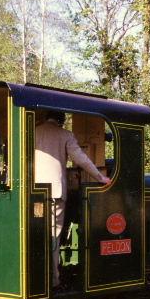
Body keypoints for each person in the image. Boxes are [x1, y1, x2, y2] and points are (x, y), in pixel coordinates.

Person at [35, 110, 111, 288]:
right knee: (53, 234)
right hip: (55, 193)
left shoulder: (34, 131)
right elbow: (81, 159)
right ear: (62, 121)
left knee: (36, 234)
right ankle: (52, 280)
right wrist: (100, 177)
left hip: (34, 194)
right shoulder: (65, 134)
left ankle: (36, 278)